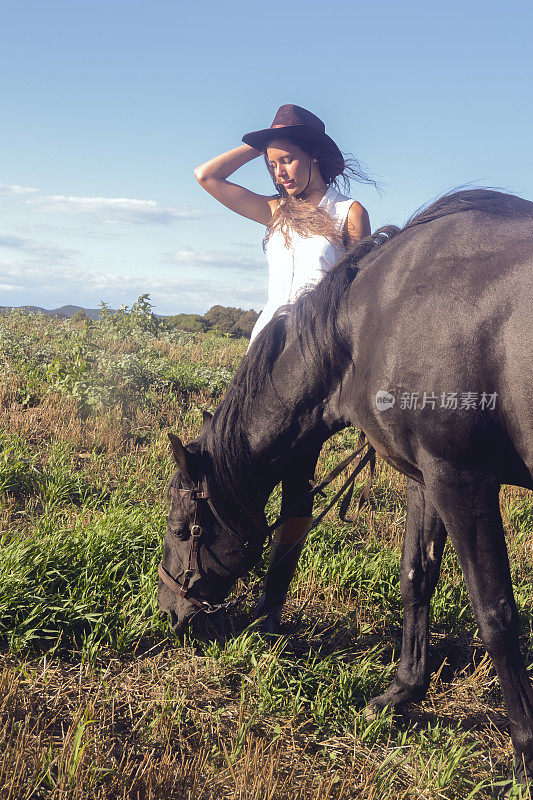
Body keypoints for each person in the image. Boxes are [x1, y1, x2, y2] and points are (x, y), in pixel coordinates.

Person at [194, 104, 372, 631]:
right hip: (262, 362)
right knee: (236, 468)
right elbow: (208, 177)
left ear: (314, 157)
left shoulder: (348, 215)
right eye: (272, 164)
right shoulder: (275, 211)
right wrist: (262, 142)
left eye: (288, 159)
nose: (279, 171)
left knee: (295, 483)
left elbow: (365, 299)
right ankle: (215, 574)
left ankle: (271, 604)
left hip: (313, 368)